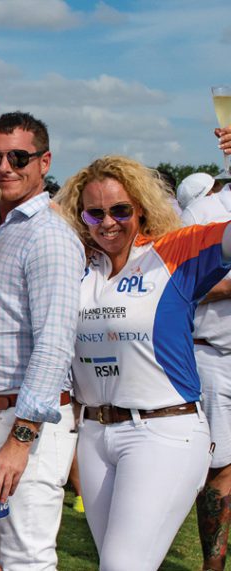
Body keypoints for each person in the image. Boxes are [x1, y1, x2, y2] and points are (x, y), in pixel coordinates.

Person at [53, 155, 231, 569]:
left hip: (162, 431)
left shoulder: (175, 251)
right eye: (94, 213)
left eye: (120, 210)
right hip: (95, 434)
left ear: (142, 208)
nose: (107, 223)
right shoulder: (76, 265)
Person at [0, 111, 84, 570]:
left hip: (28, 419)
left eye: (18, 157)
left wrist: (21, 440)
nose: (5, 166)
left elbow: (55, 342)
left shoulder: (48, 235)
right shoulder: (1, 228)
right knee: (5, 555)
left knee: (27, 558)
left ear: (45, 162)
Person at [182, 140, 231, 570]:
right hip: (216, 356)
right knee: (218, 471)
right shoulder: (204, 213)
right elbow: (175, 285)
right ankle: (212, 566)